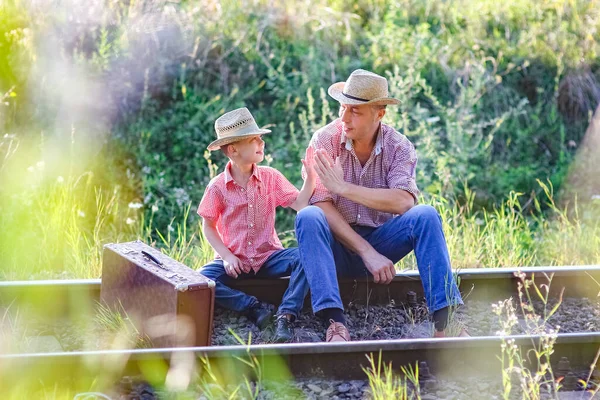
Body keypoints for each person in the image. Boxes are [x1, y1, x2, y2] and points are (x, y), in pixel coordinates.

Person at [295, 69, 467, 341]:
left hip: (383, 242)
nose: (344, 118)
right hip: (336, 246)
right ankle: (335, 324)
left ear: (379, 113)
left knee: (426, 215)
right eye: (343, 108)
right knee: (309, 216)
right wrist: (366, 252)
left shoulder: (398, 146)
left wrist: (344, 188)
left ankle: (446, 325)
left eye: (355, 111)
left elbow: (403, 201)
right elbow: (321, 204)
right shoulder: (325, 140)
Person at [197, 107, 315, 343]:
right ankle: (253, 308)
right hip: (234, 260)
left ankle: (285, 315)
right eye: (254, 139)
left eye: (261, 138)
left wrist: (311, 176)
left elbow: (301, 203)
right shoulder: (218, 186)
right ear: (233, 149)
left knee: (307, 257)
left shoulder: (271, 177)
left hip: (268, 256)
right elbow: (208, 226)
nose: (261, 142)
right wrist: (227, 256)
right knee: (200, 280)